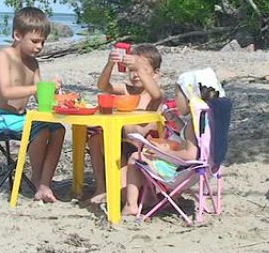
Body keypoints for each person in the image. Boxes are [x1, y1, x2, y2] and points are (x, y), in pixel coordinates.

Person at [0, 7, 65, 203]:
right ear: (17, 35)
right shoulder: (4, 56)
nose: (39, 46)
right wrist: (38, 87)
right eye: (34, 41)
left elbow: (41, 99)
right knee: (40, 130)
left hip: (20, 117)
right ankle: (36, 179)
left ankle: (45, 183)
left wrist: (55, 93)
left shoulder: (34, 64)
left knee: (58, 129)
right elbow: (5, 92)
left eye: (42, 42)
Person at [122, 70, 224, 216]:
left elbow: (189, 155)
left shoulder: (193, 125)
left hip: (179, 173)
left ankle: (131, 205)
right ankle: (150, 197)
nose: (175, 100)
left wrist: (162, 152)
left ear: (189, 97)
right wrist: (175, 120)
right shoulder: (208, 118)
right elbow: (195, 139)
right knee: (151, 151)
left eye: (177, 96)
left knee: (135, 156)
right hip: (205, 169)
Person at [87, 44, 163, 203]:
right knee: (94, 139)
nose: (136, 75)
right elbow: (103, 86)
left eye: (142, 70)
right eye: (132, 70)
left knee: (120, 197)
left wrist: (138, 67)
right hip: (122, 145)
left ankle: (123, 191)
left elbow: (157, 95)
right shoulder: (126, 90)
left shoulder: (153, 93)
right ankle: (101, 186)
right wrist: (110, 64)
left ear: (155, 74)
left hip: (143, 151)